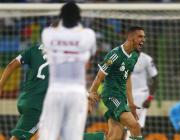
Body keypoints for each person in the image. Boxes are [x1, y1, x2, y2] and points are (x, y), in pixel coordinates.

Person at [38, 2, 96, 140]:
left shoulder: (48, 34)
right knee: (73, 137)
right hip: (77, 92)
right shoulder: (88, 35)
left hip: (55, 90)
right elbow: (91, 55)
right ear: (79, 17)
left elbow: (56, 30)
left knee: (47, 136)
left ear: (60, 16)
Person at [88, 26, 145, 140]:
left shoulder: (134, 56)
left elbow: (127, 78)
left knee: (114, 137)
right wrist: (90, 96)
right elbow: (99, 77)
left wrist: (131, 103)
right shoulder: (114, 55)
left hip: (122, 97)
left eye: (144, 37)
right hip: (111, 95)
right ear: (130, 37)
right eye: (140, 36)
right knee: (135, 126)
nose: (143, 40)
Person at [0, 44, 49, 140]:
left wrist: (1, 85)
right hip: (37, 105)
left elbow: (11, 65)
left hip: (26, 99)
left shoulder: (34, 48)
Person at [125, 52, 158, 140]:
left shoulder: (147, 59)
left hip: (141, 94)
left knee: (136, 124)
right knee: (124, 125)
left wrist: (150, 98)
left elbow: (155, 79)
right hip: (126, 94)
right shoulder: (122, 57)